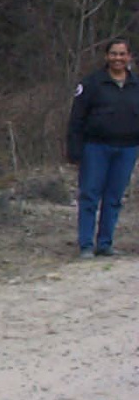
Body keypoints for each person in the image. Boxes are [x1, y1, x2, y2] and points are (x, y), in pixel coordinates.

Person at [66, 37, 139, 257]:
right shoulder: (91, 84)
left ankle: (105, 244)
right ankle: (86, 245)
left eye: (122, 54)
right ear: (107, 57)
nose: (118, 58)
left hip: (127, 149)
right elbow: (76, 119)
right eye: (114, 54)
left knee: (114, 197)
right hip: (96, 148)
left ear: (129, 57)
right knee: (90, 195)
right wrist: (74, 150)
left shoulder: (136, 85)